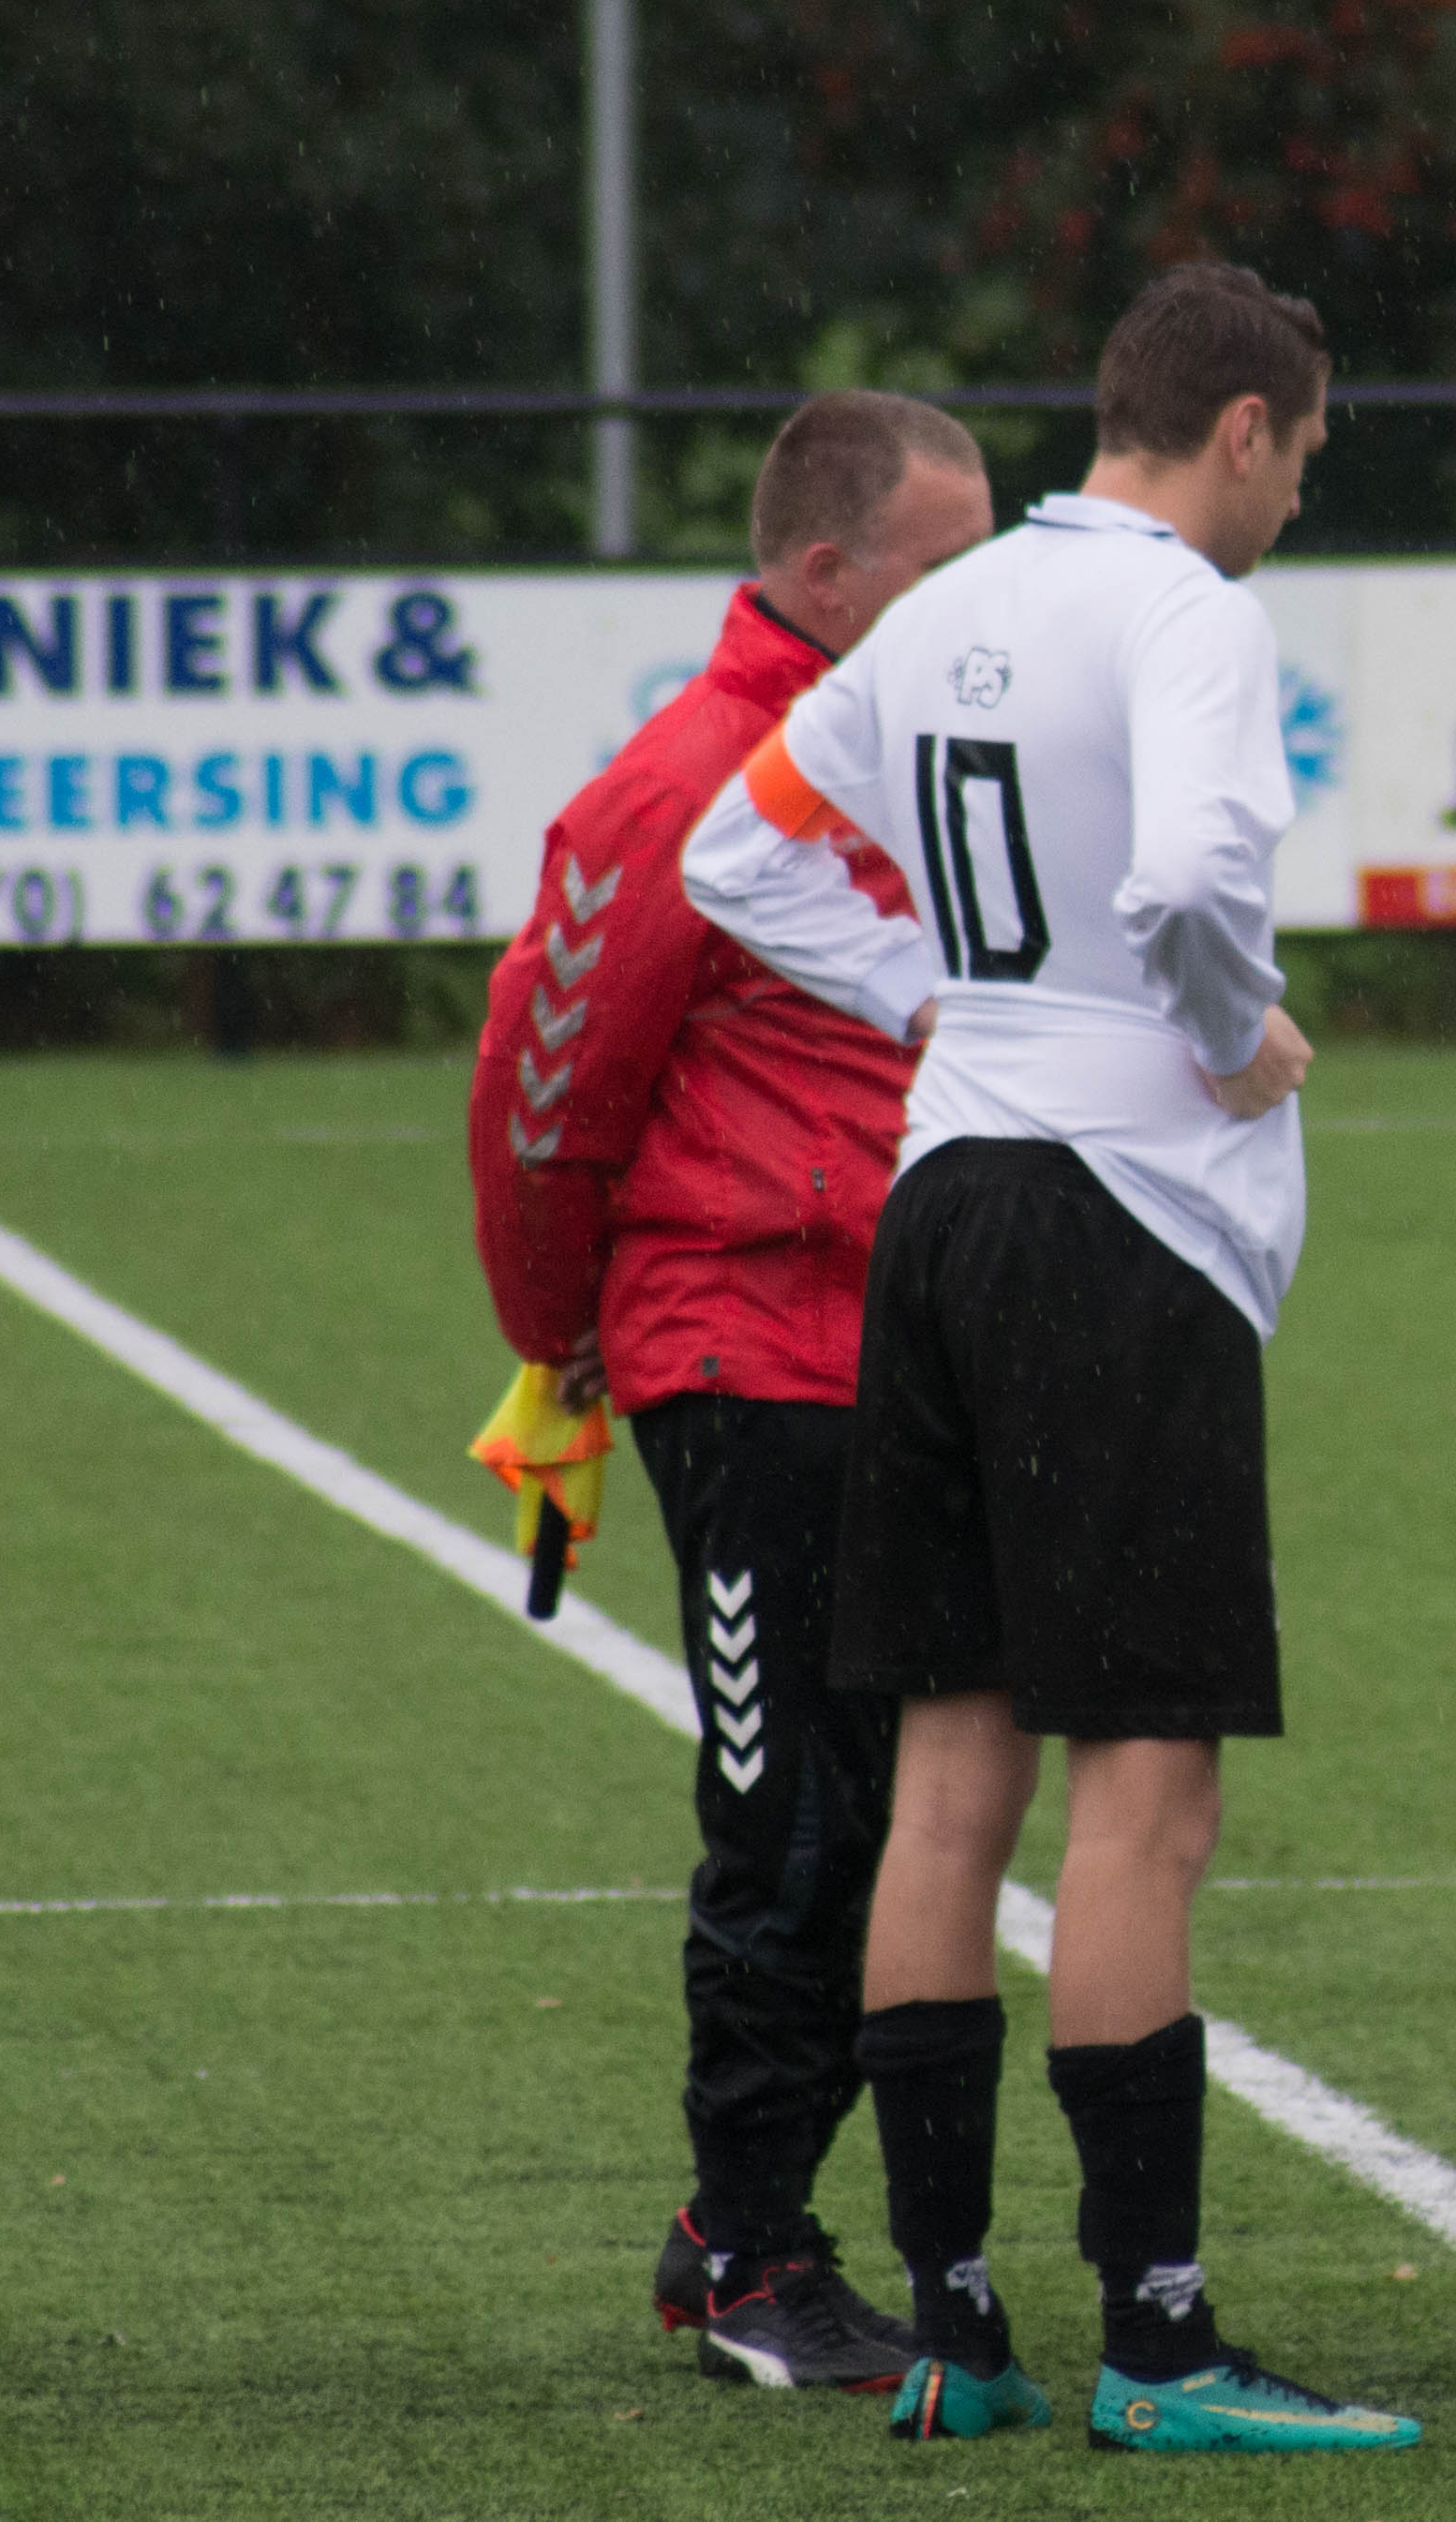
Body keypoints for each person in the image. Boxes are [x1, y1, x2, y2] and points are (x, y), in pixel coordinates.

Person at [679, 261, 1416, 2458]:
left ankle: (954, 2324)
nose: (1287, 501)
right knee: (1146, 1791)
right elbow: (1195, 866)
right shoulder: (1185, 603)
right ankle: (1161, 2344)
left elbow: (744, 852)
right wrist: (1222, 1030)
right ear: (1250, 432)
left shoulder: (943, 607)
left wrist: (938, 1004)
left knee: (942, 1779)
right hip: (1118, 1216)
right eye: (1300, 460)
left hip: (945, 1202)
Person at [466, 389, 989, 2390]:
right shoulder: (687, 777)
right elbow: (546, 1087)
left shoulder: (900, 754)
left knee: (884, 1813)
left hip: (895, 1355)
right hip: (743, 1359)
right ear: (824, 571)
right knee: (791, 1819)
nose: (979, 604)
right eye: (944, 568)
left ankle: (740, 2234)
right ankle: (751, 2252)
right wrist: (559, 1337)